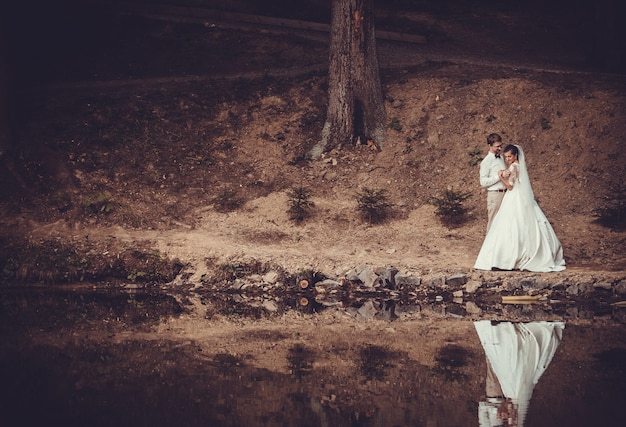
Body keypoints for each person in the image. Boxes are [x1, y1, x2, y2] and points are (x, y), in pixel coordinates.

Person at [474, 144, 566, 272]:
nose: (507, 159)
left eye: (509, 156)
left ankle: (507, 257)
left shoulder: (514, 166)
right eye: (505, 157)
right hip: (517, 196)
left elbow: (510, 186)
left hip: (513, 196)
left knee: (511, 224)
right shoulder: (518, 165)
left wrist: (500, 176)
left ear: (516, 155)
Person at [475, 320, 565, 427]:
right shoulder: (517, 419)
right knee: (508, 362)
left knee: (493, 361)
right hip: (509, 395)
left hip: (494, 398)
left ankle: (496, 333)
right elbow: (517, 414)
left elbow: (483, 417)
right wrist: (508, 408)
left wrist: (492, 408)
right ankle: (502, 332)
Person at [479, 133, 507, 232]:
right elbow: (483, 182)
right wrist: (498, 176)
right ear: (490, 146)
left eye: (500, 145)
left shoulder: (501, 158)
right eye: (497, 146)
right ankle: (489, 246)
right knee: (493, 223)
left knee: (504, 223)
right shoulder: (486, 162)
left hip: (505, 193)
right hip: (495, 195)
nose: (499, 148)